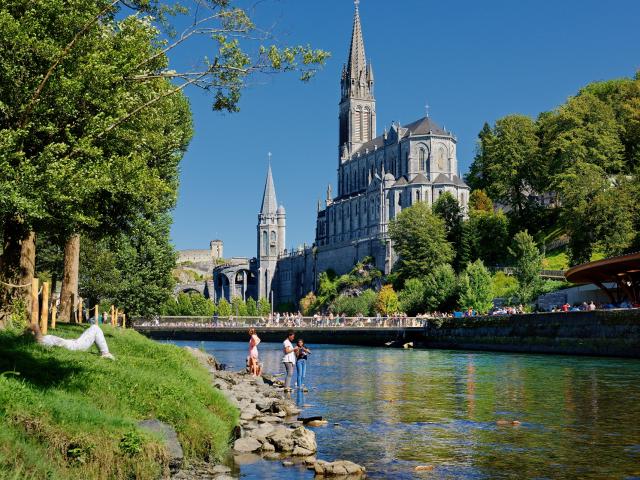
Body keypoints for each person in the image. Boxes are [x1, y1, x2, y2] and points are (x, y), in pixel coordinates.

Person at [29, 320, 115, 360]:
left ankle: (105, 352)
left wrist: (31, 330)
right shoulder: (44, 340)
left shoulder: (46, 339)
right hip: (76, 346)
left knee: (95, 328)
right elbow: (39, 338)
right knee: (95, 328)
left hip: (74, 343)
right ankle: (105, 353)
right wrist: (34, 328)